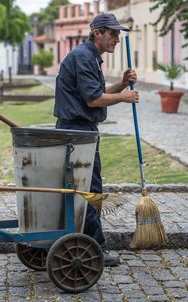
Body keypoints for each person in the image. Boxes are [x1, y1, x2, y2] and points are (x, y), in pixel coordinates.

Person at [54, 13, 139, 266]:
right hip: (78, 132)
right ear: (97, 33)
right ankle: (95, 249)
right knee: (90, 192)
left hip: (81, 130)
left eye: (119, 34)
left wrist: (122, 84)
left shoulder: (89, 56)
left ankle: (81, 241)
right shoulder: (83, 57)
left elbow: (98, 92)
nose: (117, 39)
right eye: (113, 34)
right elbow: (93, 100)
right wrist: (125, 97)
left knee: (86, 190)